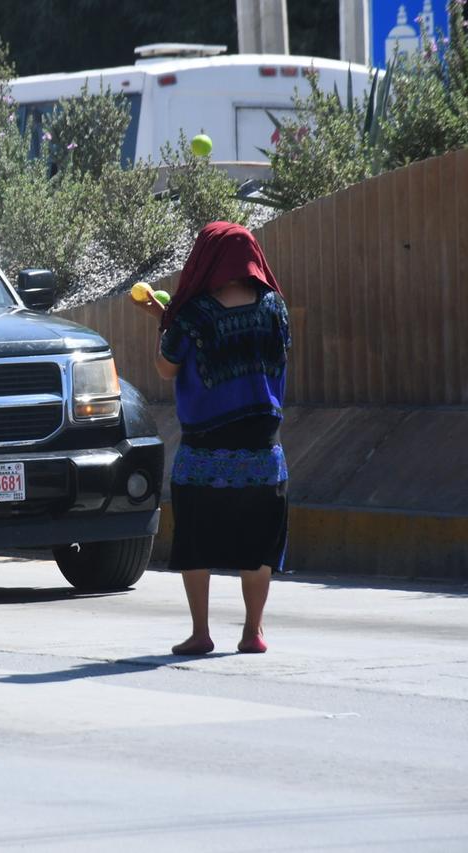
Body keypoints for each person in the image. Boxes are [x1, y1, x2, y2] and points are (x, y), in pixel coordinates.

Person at [131, 221, 290, 656]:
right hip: (264, 446)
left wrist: (164, 322)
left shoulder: (194, 314)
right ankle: (252, 631)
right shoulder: (275, 308)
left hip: (204, 446)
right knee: (258, 543)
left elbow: (168, 368)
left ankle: (201, 632)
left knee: (196, 538)